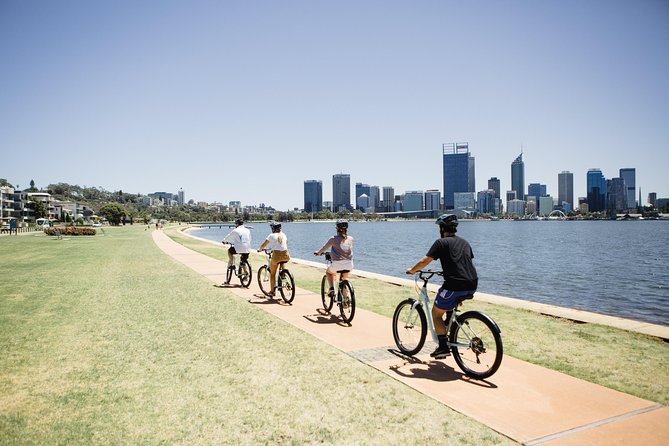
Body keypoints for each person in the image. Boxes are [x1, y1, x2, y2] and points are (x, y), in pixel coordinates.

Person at [406, 214, 478, 359]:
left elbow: (424, 261)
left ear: (442, 228)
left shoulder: (441, 243)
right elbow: (462, 262)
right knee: (448, 302)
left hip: (454, 284)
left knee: (436, 313)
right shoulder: (465, 242)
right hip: (472, 283)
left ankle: (443, 347)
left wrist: (412, 270)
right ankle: (450, 324)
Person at [314, 220, 353, 298]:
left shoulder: (333, 239)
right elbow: (344, 250)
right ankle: (346, 299)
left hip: (337, 264)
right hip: (349, 264)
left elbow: (324, 248)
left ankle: (332, 289)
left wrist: (318, 253)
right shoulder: (351, 239)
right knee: (342, 280)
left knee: (328, 272)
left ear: (337, 228)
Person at [257, 222, 290, 297]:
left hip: (276, 256)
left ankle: (272, 292)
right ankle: (284, 276)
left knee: (272, 274)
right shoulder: (283, 234)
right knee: (282, 262)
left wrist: (259, 249)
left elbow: (264, 244)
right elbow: (286, 243)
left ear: (273, 229)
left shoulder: (271, 235)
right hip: (286, 255)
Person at [222, 218, 252, 285]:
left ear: (237, 224)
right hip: (247, 248)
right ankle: (246, 273)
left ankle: (232, 264)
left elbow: (228, 237)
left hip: (238, 248)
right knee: (243, 259)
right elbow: (250, 239)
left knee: (230, 251)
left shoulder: (235, 230)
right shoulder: (247, 230)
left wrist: (224, 241)